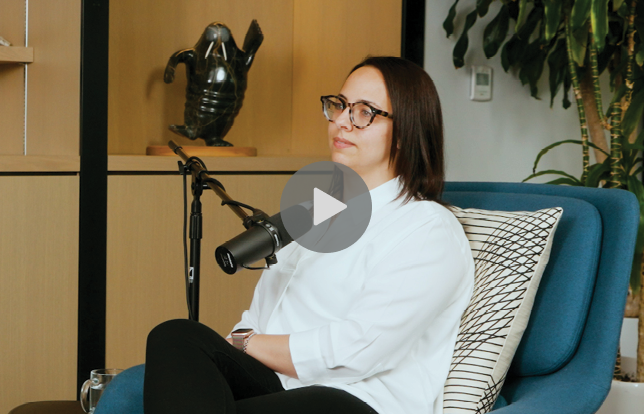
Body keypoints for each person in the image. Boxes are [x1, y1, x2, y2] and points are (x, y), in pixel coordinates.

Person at [142, 56, 474, 414]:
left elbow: (357, 350)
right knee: (175, 336)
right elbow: (254, 320)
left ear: (406, 131)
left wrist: (248, 343)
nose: (342, 122)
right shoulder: (316, 212)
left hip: (355, 401)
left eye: (364, 112)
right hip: (279, 386)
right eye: (339, 106)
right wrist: (244, 341)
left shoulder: (426, 228)